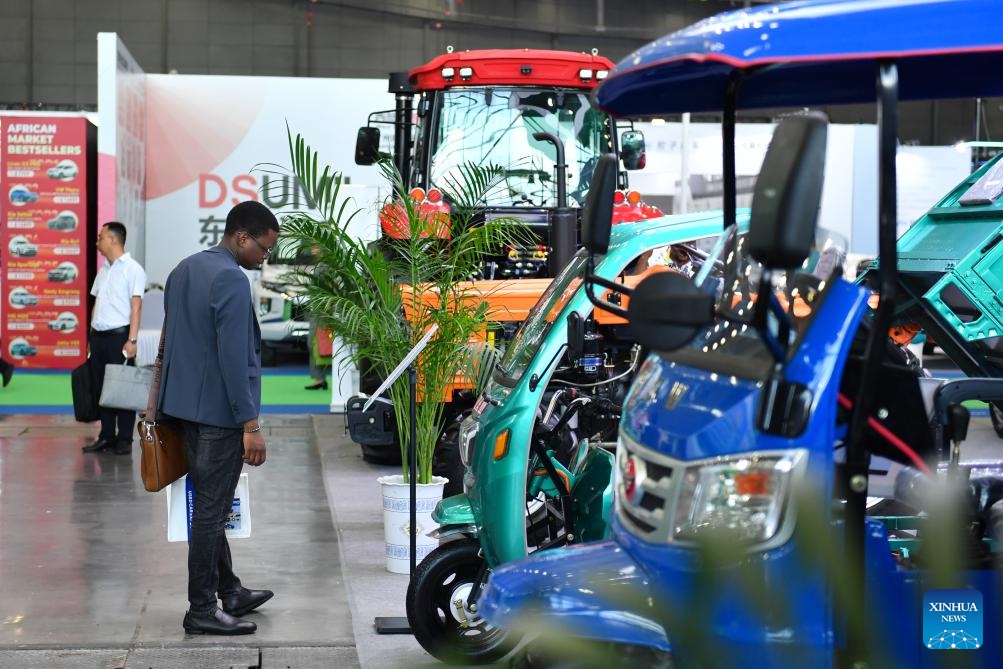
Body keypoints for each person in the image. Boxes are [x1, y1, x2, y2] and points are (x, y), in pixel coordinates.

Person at [159, 201, 278, 636]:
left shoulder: (185, 269)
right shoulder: (229, 277)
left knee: (211, 504)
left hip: (186, 411)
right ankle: (202, 609)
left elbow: (174, 343)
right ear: (241, 237)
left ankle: (230, 590)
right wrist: (251, 424)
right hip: (220, 417)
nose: (265, 258)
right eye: (264, 249)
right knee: (211, 511)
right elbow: (232, 358)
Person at [82, 222, 146, 456]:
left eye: (100, 237)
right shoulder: (104, 270)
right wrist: (91, 335)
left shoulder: (133, 269)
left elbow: (136, 305)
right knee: (101, 388)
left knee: (122, 388)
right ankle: (106, 436)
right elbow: (96, 303)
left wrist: (133, 340)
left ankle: (125, 439)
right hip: (98, 337)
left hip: (120, 337)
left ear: (113, 240)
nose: (97, 242)